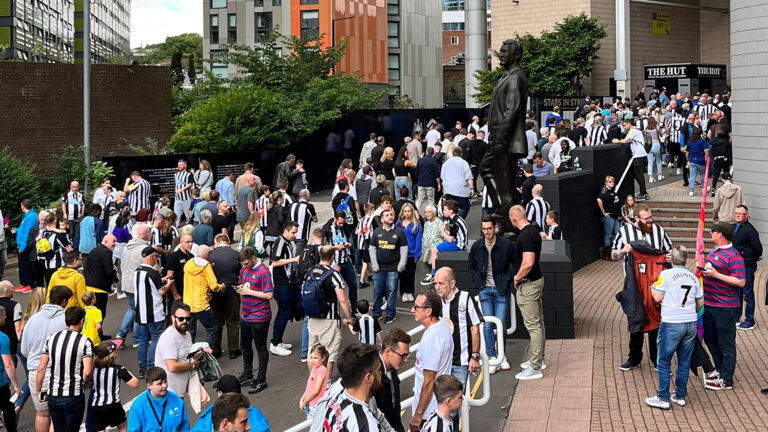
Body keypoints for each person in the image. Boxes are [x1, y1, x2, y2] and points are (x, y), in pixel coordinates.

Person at [611, 204, 672, 371]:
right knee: (636, 319)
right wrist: (624, 251)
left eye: (651, 217)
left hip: (655, 286)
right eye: (646, 219)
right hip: (634, 286)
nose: (650, 221)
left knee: (656, 322)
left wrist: (669, 255)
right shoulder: (625, 231)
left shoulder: (659, 231)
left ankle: (657, 359)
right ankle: (634, 358)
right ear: (636, 219)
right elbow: (613, 255)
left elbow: (670, 251)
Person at [644, 246, 703, 410]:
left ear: (671, 259)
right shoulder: (692, 277)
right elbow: (700, 302)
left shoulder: (665, 275)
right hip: (690, 322)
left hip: (671, 322)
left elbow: (658, 297)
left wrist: (652, 288)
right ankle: (680, 395)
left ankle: (663, 397)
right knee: (684, 361)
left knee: (663, 361)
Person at [20, 285, 71, 432]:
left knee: (42, 414)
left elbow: (24, 349)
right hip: (59, 373)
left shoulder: (33, 319)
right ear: (64, 301)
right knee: (58, 415)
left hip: (36, 372)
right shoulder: (66, 320)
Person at [434, 267, 481, 426]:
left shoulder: (466, 299)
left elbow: (474, 328)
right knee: (441, 405)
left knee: (453, 406)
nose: (437, 287)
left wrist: (474, 356)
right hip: (441, 363)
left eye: (441, 283)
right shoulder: (436, 301)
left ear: (452, 283)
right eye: (436, 283)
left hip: (460, 363)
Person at [701, 222, 746, 390]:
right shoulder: (714, 250)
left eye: (713, 231)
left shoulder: (734, 256)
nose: (711, 233)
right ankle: (720, 369)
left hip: (725, 307)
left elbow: (741, 281)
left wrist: (716, 274)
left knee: (726, 343)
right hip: (710, 304)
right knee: (710, 339)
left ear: (720, 235)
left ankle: (727, 379)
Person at [468, 215, 515, 373]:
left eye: (489, 228)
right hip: (485, 289)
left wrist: (507, 279)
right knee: (487, 324)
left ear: (495, 228)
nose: (486, 232)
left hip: (501, 289)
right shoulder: (477, 246)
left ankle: (502, 355)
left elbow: (514, 264)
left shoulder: (506, 245)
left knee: (500, 323)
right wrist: (479, 284)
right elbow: (472, 265)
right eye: (484, 229)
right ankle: (492, 356)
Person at [35, 306, 94, 432]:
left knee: (58, 428)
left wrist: (38, 389)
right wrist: (84, 382)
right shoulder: (85, 341)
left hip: (54, 394)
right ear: (82, 321)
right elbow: (88, 371)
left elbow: (41, 367)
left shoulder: (51, 338)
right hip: (73, 395)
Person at [509, 205, 547, 380]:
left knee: (533, 326)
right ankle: (539, 358)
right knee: (538, 323)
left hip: (529, 285)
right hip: (536, 281)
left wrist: (517, 278)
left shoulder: (525, 236)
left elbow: (528, 263)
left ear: (514, 219)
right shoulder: (533, 230)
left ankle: (536, 367)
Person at [311, 343, 384, 432]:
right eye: (379, 370)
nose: (381, 374)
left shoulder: (335, 397)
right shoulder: (366, 426)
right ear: (369, 378)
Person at [306, 247, 354, 379]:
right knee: (329, 353)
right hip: (329, 318)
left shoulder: (310, 271)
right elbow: (343, 299)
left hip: (312, 317)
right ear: (332, 257)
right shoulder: (333, 274)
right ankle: (325, 383)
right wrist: (348, 317)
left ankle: (313, 380)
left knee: (313, 352)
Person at [409, 290, 453, 432]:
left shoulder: (431, 339)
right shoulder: (443, 326)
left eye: (416, 307)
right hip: (438, 409)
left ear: (428, 311)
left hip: (429, 413)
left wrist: (418, 414)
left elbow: (429, 381)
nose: (412, 310)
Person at [236, 247, 274, 394]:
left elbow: (269, 294)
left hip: (260, 317)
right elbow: (243, 283)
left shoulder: (263, 271)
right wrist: (240, 287)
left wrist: (248, 292)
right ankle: (247, 374)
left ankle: (261, 379)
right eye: (243, 264)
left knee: (261, 348)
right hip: (246, 315)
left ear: (253, 258)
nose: (244, 267)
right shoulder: (244, 269)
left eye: (246, 263)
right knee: (245, 346)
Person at [134, 247, 171, 379]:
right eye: (156, 257)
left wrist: (162, 280)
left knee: (143, 340)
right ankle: (151, 366)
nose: (156, 260)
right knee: (155, 338)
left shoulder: (137, 272)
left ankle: (142, 368)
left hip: (141, 313)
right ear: (152, 257)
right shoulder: (152, 273)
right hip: (154, 312)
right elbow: (161, 291)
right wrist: (169, 283)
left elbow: (149, 286)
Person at [88, 339, 139, 432]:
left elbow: (88, 384)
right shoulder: (119, 369)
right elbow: (135, 383)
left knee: (99, 429)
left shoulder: (94, 369)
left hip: (97, 406)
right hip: (113, 405)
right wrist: (126, 371)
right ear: (113, 355)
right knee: (122, 426)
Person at [191, 374, 270, 432]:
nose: (249, 427)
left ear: (220, 394)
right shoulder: (255, 413)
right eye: (244, 422)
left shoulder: (209, 416)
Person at [155, 302, 202, 397]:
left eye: (187, 318)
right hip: (167, 392)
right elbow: (172, 367)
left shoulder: (187, 334)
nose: (184, 321)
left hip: (178, 391)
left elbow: (185, 356)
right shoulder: (169, 337)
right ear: (173, 318)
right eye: (181, 319)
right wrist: (192, 365)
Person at [369, 209, 407, 324]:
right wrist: (374, 265)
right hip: (378, 269)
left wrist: (401, 265)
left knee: (391, 292)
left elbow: (404, 249)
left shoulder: (399, 232)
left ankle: (391, 314)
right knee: (377, 292)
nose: (390, 216)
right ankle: (376, 313)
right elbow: (372, 248)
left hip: (393, 268)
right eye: (387, 215)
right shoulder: (377, 232)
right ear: (381, 219)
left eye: (391, 214)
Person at [115, 224, 150, 346]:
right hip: (138, 284)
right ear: (146, 235)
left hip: (126, 283)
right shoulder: (145, 249)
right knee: (139, 311)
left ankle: (121, 334)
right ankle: (136, 339)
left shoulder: (127, 247)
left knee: (132, 308)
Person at [269, 221, 300, 356]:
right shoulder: (280, 243)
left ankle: (278, 340)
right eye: (293, 232)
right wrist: (293, 260)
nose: (295, 235)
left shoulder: (286, 242)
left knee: (286, 311)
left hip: (286, 281)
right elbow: (275, 262)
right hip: (280, 283)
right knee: (284, 312)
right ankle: (275, 343)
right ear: (286, 231)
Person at [210, 234, 242, 359]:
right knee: (233, 320)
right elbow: (241, 272)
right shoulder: (235, 254)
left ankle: (216, 349)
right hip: (232, 291)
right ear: (228, 242)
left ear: (217, 242)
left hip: (215, 292)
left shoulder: (211, 255)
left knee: (217, 321)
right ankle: (233, 349)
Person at [126, 367, 189, 432]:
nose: (164, 385)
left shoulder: (177, 400)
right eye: (160, 383)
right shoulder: (137, 407)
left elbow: (184, 427)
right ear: (149, 386)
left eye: (165, 381)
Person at [372, 328, 411, 432]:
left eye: (407, 355)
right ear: (388, 351)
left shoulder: (392, 367)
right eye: (403, 355)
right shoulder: (372, 375)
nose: (406, 359)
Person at [421, 200, 467, 286]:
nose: (443, 212)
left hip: (458, 244)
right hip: (458, 241)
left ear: (451, 211)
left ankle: (433, 273)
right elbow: (452, 234)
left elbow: (450, 239)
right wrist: (445, 230)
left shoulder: (454, 222)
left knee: (434, 250)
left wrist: (442, 231)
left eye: (445, 210)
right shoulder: (456, 219)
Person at [731, 205, 762, 330]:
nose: (738, 215)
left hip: (747, 265)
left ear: (746, 215)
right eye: (736, 213)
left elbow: (758, 248)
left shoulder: (750, 230)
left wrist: (753, 257)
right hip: (736, 265)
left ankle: (750, 320)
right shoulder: (733, 228)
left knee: (748, 293)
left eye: (741, 214)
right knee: (737, 292)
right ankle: (736, 317)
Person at [612, 118, 649, 201]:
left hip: (638, 156)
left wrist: (617, 141)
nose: (624, 127)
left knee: (639, 175)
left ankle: (644, 193)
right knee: (637, 174)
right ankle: (643, 192)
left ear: (629, 124)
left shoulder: (632, 131)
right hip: (639, 155)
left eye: (624, 125)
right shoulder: (636, 130)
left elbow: (625, 141)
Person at [84, 234, 118, 318]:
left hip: (89, 285)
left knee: (90, 313)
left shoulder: (95, 250)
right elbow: (109, 271)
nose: (115, 244)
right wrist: (115, 278)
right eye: (113, 241)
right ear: (105, 241)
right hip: (100, 288)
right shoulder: (106, 252)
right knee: (100, 314)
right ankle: (97, 330)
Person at [164, 235, 194, 319]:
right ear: (181, 243)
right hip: (176, 295)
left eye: (192, 242)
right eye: (187, 242)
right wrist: (175, 293)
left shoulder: (191, 256)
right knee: (173, 318)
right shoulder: (174, 257)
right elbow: (169, 276)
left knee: (185, 317)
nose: (190, 244)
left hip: (187, 293)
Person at [0, 306, 19, 432]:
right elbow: (8, 364)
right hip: (0, 383)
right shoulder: (2, 338)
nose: (6, 317)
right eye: (4, 315)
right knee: (8, 408)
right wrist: (16, 386)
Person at [440, 147, 474, 219]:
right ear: (461, 154)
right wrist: (471, 188)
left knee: (451, 208)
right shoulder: (464, 163)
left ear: (452, 154)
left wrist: (444, 190)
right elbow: (468, 177)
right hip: (461, 190)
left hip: (449, 190)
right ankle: (458, 220)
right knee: (465, 207)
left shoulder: (446, 163)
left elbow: (442, 177)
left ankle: (453, 221)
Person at [397, 203, 421, 302]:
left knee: (411, 274)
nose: (407, 213)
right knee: (402, 274)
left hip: (411, 254)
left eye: (409, 211)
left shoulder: (416, 224)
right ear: (402, 212)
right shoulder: (399, 224)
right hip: (401, 253)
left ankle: (410, 292)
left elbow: (418, 240)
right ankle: (403, 292)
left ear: (412, 212)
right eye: (405, 211)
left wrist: (417, 254)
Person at [13, 199, 38, 292]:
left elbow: (27, 233)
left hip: (26, 245)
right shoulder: (27, 216)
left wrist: (22, 247)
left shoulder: (31, 217)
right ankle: (24, 283)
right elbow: (23, 230)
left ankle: (30, 284)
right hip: (22, 244)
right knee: (22, 265)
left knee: (27, 265)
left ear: (23, 206)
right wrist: (16, 230)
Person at [300, 344, 329, 419]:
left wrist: (305, 401)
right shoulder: (314, 368)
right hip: (311, 402)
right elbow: (309, 386)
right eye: (311, 357)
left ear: (323, 358)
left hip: (317, 403)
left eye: (315, 358)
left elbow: (316, 390)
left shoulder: (321, 370)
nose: (312, 360)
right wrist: (303, 398)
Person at [597, 176, 622, 259]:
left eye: (613, 182)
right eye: (610, 182)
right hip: (609, 216)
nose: (612, 183)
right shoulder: (605, 192)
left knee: (616, 232)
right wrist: (603, 211)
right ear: (606, 183)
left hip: (615, 216)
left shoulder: (612, 191)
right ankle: (607, 254)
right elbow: (599, 200)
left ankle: (612, 250)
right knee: (608, 235)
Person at [684, 128, 710, 196]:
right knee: (702, 175)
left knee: (692, 176)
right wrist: (707, 158)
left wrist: (688, 159)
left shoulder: (689, 142)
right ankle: (704, 189)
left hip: (692, 160)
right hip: (701, 161)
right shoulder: (703, 142)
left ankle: (691, 191)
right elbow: (707, 153)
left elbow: (687, 153)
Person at [416, 147, 441, 214]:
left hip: (421, 182)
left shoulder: (420, 160)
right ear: (433, 153)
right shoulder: (433, 160)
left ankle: (415, 212)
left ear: (426, 152)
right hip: (431, 183)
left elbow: (417, 171)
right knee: (431, 200)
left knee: (420, 199)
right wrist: (439, 184)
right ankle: (431, 214)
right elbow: (436, 173)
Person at [174, 160, 195, 225]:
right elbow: (176, 185)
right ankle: (175, 229)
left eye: (180, 165)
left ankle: (190, 229)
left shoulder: (189, 174)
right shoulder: (176, 174)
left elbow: (190, 184)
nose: (179, 166)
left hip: (186, 198)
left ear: (185, 165)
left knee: (188, 215)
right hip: (178, 198)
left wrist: (181, 190)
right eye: (178, 165)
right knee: (176, 215)